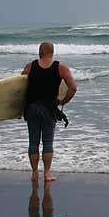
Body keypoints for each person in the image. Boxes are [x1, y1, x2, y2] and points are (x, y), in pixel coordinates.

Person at [22, 41, 77, 182]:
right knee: (48, 142)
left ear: (40, 51)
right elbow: (73, 88)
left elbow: (19, 89)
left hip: (32, 108)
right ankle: (46, 174)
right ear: (52, 52)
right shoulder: (61, 68)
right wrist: (63, 101)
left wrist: (17, 109)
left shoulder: (29, 67)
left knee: (33, 142)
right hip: (49, 109)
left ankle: (34, 173)